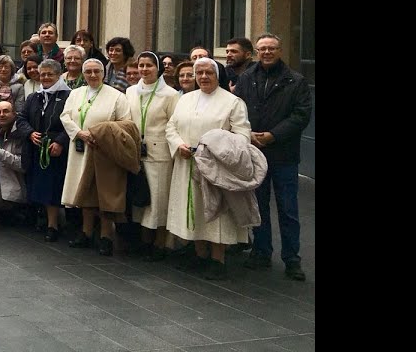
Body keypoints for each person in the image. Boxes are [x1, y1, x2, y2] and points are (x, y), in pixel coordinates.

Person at [166, 58, 253, 280]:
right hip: (187, 162)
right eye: (199, 72)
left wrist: (216, 150)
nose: (203, 77)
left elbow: (242, 134)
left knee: (216, 211)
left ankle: (218, 259)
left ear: (217, 75)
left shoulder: (232, 102)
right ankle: (199, 254)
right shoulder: (185, 99)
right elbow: (171, 126)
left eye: (208, 72)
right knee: (193, 207)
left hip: (216, 167)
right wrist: (178, 145)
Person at [236, 34, 312, 281]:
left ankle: (292, 259)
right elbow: (239, 109)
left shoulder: (296, 81)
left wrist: (273, 135)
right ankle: (261, 251)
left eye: (272, 48)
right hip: (255, 152)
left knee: (287, 208)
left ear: (280, 51)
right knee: (258, 206)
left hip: (284, 155)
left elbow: (301, 116)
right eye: (262, 49)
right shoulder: (246, 78)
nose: (267, 52)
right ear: (256, 52)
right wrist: (249, 134)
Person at [61, 58, 131, 255]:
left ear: (103, 73)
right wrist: (79, 133)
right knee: (83, 193)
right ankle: (86, 231)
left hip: (104, 152)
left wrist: (101, 135)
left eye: (96, 71)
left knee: (104, 195)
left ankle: (106, 236)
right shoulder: (76, 93)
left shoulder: (117, 96)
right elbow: (65, 116)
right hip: (79, 149)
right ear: (83, 74)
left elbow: (125, 123)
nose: (92, 75)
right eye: (88, 71)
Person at [126, 52, 180, 260]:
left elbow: (174, 123)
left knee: (159, 200)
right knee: (142, 200)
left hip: (160, 153)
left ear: (157, 68)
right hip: (136, 152)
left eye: (149, 65)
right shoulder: (131, 91)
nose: (145, 69)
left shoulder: (170, 94)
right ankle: (144, 241)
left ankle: (160, 243)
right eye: (141, 65)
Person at [19, 60, 71, 241]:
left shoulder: (68, 96)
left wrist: (60, 142)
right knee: (37, 187)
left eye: (50, 74)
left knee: (53, 189)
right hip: (36, 148)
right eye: (43, 74)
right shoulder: (34, 97)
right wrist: (30, 133)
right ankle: (41, 219)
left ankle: (53, 225)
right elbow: (22, 118)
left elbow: (73, 122)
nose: (46, 78)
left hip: (56, 150)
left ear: (59, 76)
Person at [0, 100, 26, 224]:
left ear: (14, 114)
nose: (1, 115)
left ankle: (22, 212)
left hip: (18, 182)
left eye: (6, 111)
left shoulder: (21, 133)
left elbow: (22, 165)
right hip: (0, 179)